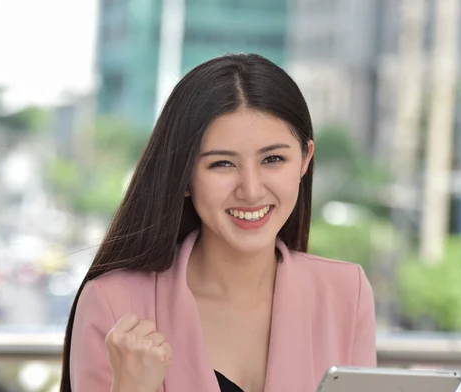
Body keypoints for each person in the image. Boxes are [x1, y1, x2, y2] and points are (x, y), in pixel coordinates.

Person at [59, 53, 376, 392]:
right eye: (222, 164)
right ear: (183, 175)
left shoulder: (346, 294)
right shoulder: (113, 304)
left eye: (273, 159)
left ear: (304, 160)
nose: (251, 191)